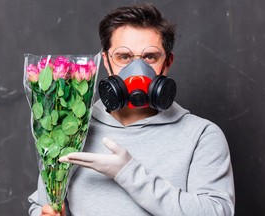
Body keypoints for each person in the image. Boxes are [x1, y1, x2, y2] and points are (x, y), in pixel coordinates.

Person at [28, 3, 235, 216]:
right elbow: (42, 205)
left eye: (150, 57)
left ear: (167, 63)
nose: (137, 69)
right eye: (123, 57)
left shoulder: (202, 135)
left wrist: (127, 172)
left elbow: (217, 212)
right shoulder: (70, 132)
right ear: (106, 61)